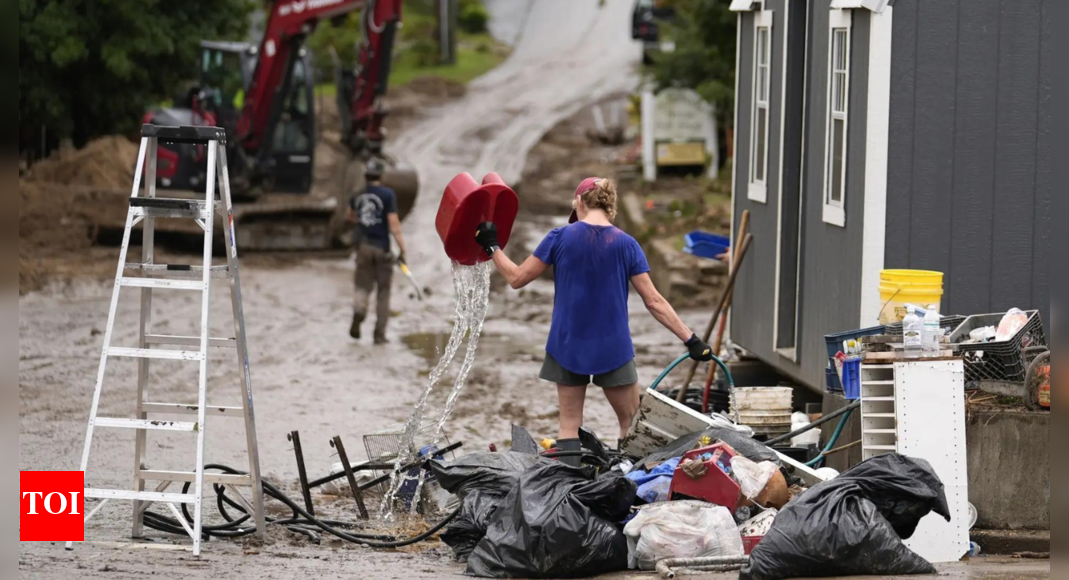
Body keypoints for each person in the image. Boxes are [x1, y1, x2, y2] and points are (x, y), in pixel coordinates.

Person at [475, 177, 713, 462]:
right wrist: (691, 339)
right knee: (630, 423)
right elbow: (654, 301)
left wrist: (492, 247)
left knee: (569, 423)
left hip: (567, 344)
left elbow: (516, 279)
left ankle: (568, 492)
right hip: (613, 347)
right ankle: (627, 487)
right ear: (609, 207)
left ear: (579, 203)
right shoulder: (627, 244)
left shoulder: (559, 237)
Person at [348, 159, 407, 344]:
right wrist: (402, 249)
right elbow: (394, 226)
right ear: (381, 175)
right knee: (383, 292)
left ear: (366, 175)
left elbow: (351, 217)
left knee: (362, 286)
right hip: (382, 248)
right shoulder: (388, 195)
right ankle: (379, 335)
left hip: (363, 247)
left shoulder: (357, 195)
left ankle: (359, 311)